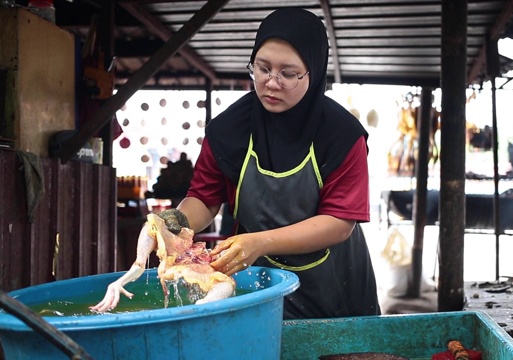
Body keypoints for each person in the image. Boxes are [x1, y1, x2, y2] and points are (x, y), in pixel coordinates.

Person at [91, 7, 380, 319]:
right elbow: (204, 198)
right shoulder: (228, 129)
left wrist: (261, 242)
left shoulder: (342, 135)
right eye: (262, 68)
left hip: (334, 284)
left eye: (289, 73)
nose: (272, 82)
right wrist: (175, 222)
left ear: (315, 70)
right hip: (259, 281)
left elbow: (339, 223)